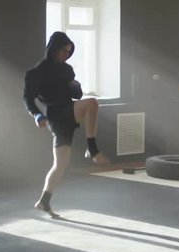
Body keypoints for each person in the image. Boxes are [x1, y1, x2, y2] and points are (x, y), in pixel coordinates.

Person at [23, 32, 110, 217]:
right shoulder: (36, 73)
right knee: (92, 103)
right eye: (64, 50)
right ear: (55, 48)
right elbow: (28, 99)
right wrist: (37, 115)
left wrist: (75, 86)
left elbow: (77, 96)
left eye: (69, 51)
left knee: (60, 165)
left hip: (69, 110)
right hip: (56, 115)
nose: (66, 54)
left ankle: (44, 201)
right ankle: (92, 149)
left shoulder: (67, 70)